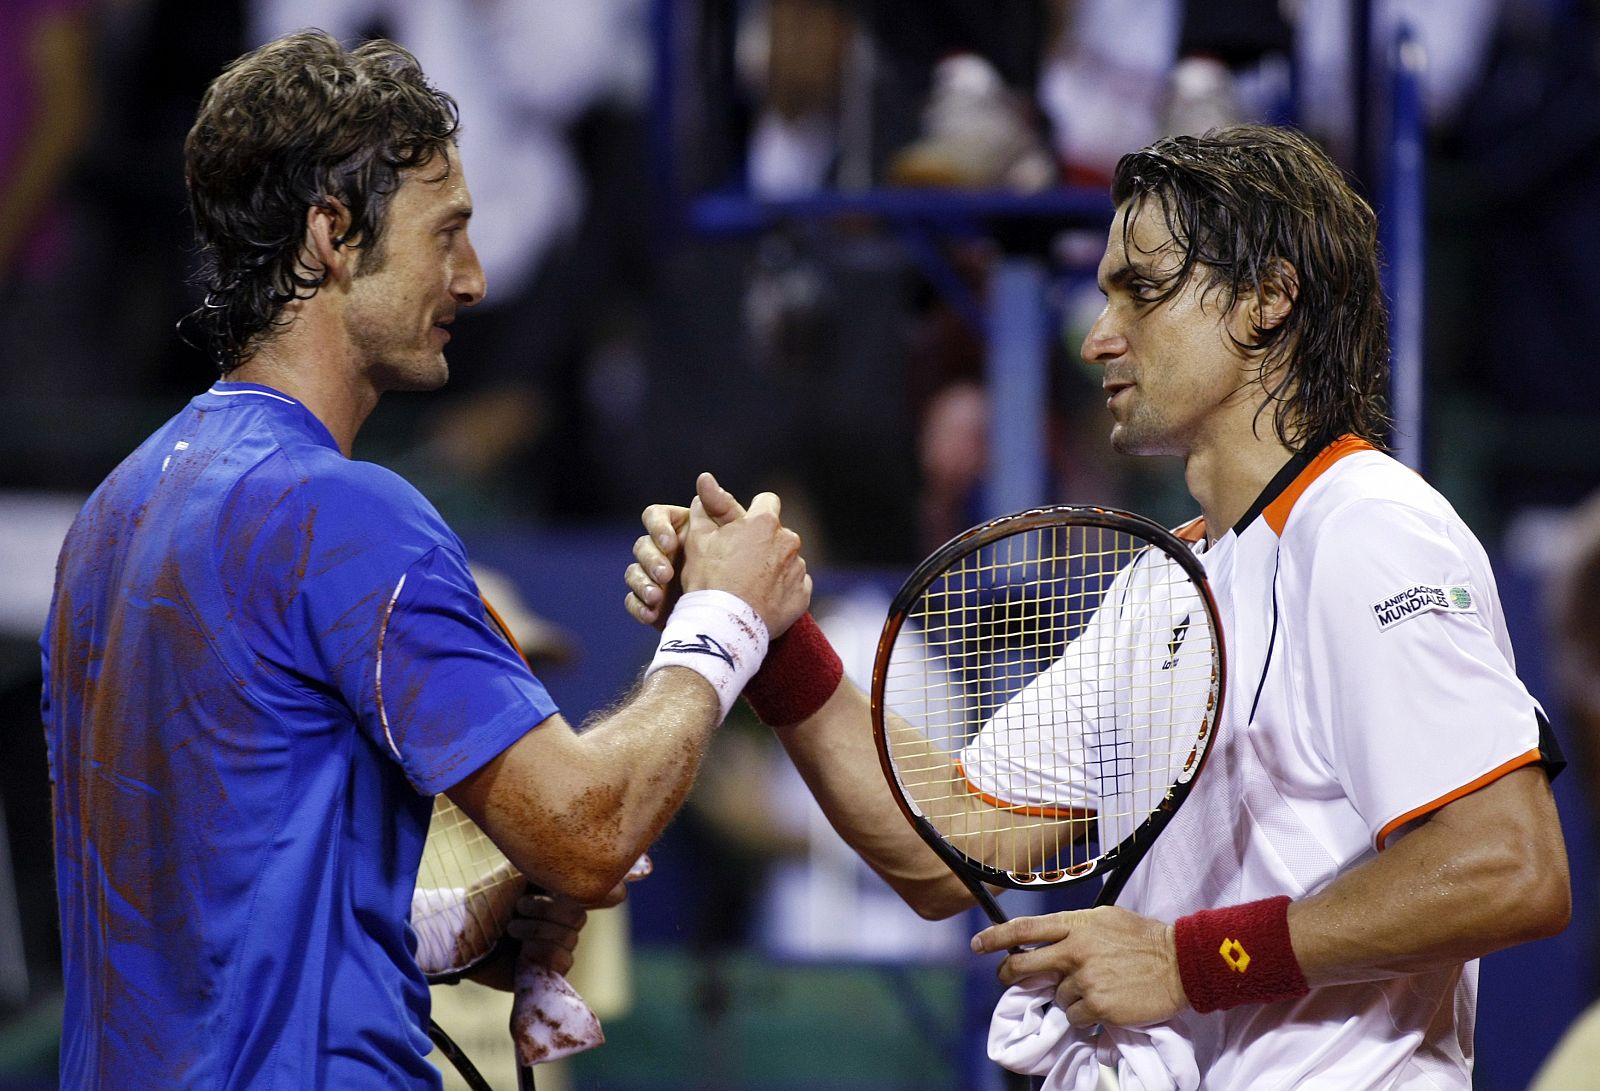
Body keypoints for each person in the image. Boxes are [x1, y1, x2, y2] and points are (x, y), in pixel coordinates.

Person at [625, 124, 1570, 1087]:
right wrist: (768, 634)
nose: (1096, 336)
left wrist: (1186, 961)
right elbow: (941, 848)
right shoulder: (1168, 582)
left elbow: (1507, 865)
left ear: (1268, 300)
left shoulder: (1370, 525)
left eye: (1141, 290)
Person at [41, 30, 810, 1090]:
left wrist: (456, 928)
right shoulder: (343, 516)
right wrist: (722, 621)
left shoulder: (113, 513)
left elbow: (204, 901)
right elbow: (587, 832)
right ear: (333, 234)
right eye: (446, 233)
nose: (476, 278)